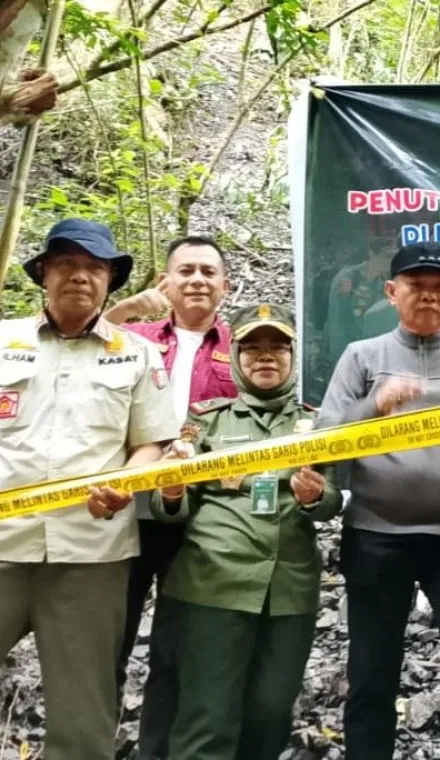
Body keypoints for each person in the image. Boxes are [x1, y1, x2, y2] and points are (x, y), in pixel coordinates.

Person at [317, 241, 440, 760]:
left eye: (439, 287)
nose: (428, 295)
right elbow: (324, 440)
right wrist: (373, 405)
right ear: (392, 292)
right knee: (372, 668)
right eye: (416, 285)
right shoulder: (362, 357)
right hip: (375, 533)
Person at [0, 219, 179, 760]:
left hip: (91, 555)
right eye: (66, 264)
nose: (79, 276)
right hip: (3, 545)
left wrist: (123, 485)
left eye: (94, 268)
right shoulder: (4, 341)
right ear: (44, 274)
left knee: (83, 718)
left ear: (109, 282)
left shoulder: (137, 354)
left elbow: (152, 443)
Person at [147, 303, 341, 760]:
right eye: (253, 348)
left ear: (293, 357)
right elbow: (169, 507)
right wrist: (171, 491)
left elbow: (332, 500)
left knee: (271, 712)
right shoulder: (206, 420)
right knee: (207, 715)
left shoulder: (315, 425)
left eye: (278, 347)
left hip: (288, 589)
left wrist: (315, 496)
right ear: (235, 357)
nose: (266, 356)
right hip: (213, 584)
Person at [105, 234, 236, 759]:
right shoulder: (134, 336)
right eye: (186, 271)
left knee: (175, 647)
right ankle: (94, 741)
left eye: (208, 271)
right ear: (167, 280)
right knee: (108, 641)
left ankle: (156, 750)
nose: (197, 280)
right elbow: (85, 345)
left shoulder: (244, 347)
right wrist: (127, 307)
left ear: (225, 285)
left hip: (198, 515)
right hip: (126, 511)